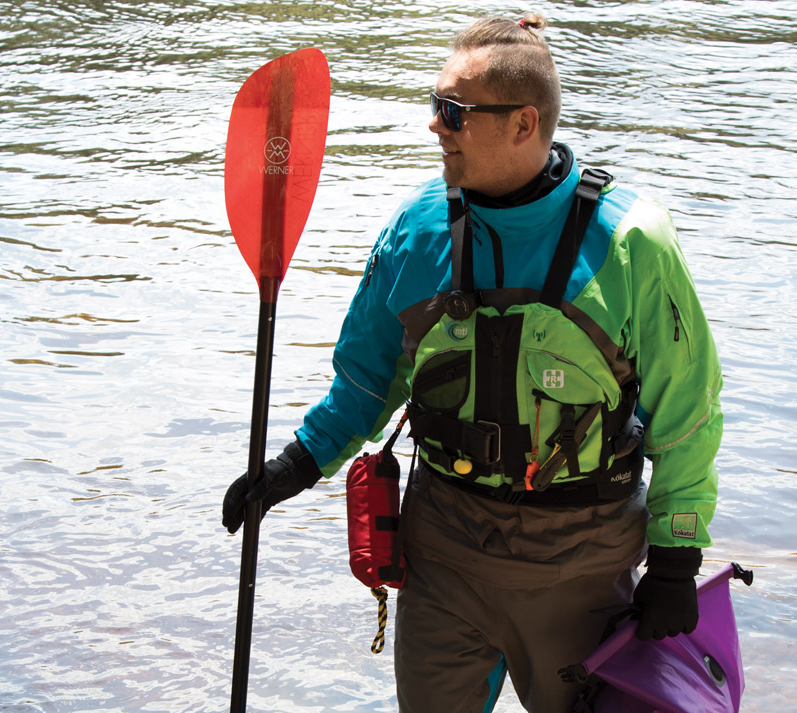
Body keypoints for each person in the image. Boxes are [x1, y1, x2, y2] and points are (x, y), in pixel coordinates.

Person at [223, 13, 722, 713]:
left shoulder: (631, 242)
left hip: (579, 563)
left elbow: (687, 413)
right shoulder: (416, 229)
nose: (435, 127)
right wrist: (296, 465)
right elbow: (366, 380)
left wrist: (676, 556)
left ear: (523, 123)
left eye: (454, 113)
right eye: (436, 107)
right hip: (445, 551)